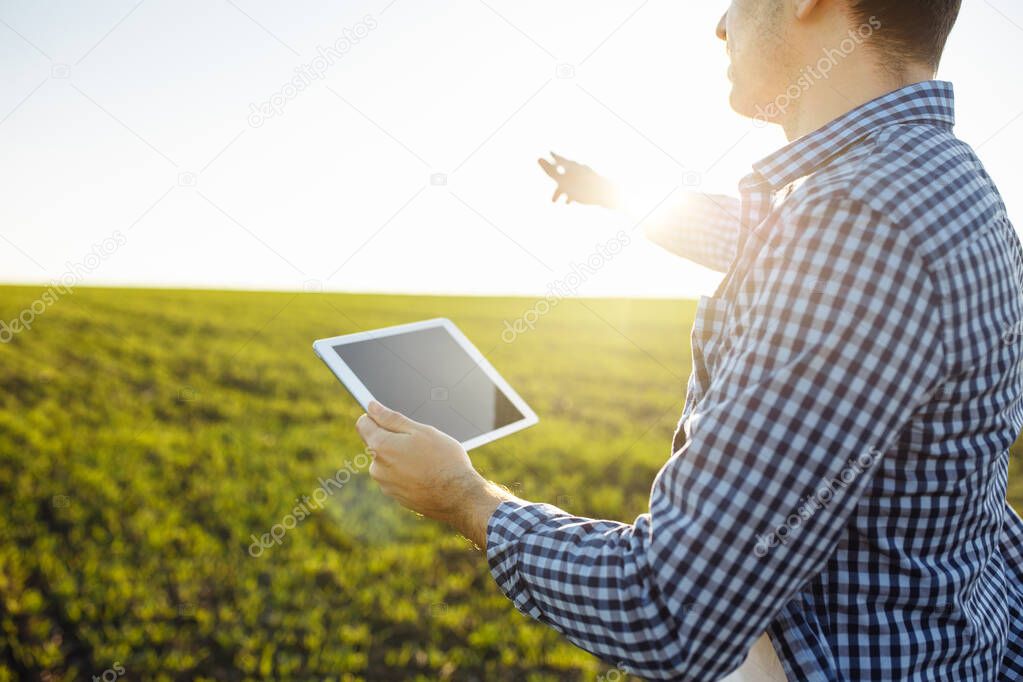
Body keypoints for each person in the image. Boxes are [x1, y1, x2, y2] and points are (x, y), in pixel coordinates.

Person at [354, 1, 1023, 679]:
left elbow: (669, 608)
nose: (721, 23)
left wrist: (464, 496)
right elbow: (751, 241)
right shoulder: (936, 184)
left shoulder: (857, 223)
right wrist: (612, 194)